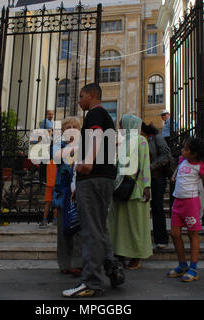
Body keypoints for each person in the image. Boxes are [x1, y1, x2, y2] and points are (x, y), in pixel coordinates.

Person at [62, 83, 124, 298]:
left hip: (94, 178)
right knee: (98, 229)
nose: (79, 100)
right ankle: (108, 269)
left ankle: (91, 281)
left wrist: (87, 162)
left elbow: (96, 135)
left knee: (90, 231)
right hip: (102, 178)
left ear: (91, 96)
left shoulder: (95, 114)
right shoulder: (105, 116)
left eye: (81, 96)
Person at [108, 115, 152, 270]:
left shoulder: (141, 140)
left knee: (136, 226)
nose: (120, 128)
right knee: (121, 225)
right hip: (121, 188)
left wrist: (147, 186)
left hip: (136, 188)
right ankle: (120, 253)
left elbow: (145, 163)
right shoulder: (122, 141)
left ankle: (137, 256)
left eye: (121, 125)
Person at [167, 137, 204, 282]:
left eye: (186, 149)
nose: (182, 150)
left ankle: (193, 268)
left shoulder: (200, 166)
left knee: (193, 234)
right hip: (177, 202)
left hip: (191, 203)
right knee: (174, 233)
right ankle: (182, 265)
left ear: (193, 154)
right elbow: (176, 174)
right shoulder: (182, 160)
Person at [52, 117, 83, 276]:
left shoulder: (84, 146)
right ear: (63, 131)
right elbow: (57, 158)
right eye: (68, 127)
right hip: (63, 191)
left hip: (80, 190)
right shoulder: (59, 145)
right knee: (64, 228)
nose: (71, 130)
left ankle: (77, 263)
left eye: (74, 127)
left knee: (78, 228)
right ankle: (64, 263)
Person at [141, 122, 172, 249]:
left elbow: (167, 155)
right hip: (143, 179)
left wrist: (150, 167)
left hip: (157, 177)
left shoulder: (156, 138)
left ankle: (162, 239)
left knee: (157, 207)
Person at [39, 160, 58, 228]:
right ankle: (55, 220)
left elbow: (42, 171)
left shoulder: (48, 161)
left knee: (47, 203)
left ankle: (44, 220)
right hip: (56, 184)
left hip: (49, 184)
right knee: (56, 204)